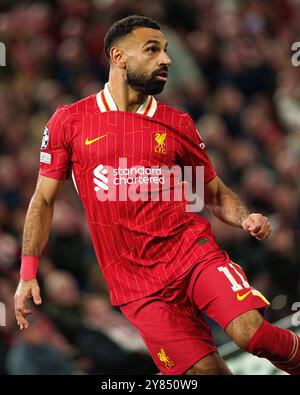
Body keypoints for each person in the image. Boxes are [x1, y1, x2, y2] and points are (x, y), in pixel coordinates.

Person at [14, 15, 300, 375]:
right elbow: (43, 200)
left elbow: (211, 193)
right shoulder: (69, 122)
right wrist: (28, 273)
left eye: (165, 51)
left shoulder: (177, 123)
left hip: (192, 254)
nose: (166, 59)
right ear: (118, 57)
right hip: (137, 286)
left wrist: (244, 217)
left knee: (251, 334)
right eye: (153, 50)